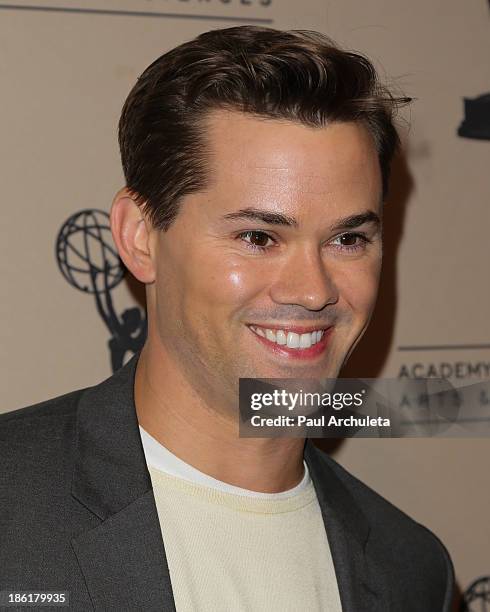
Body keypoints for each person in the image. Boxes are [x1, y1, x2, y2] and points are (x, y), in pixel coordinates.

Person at [0, 25, 454, 611]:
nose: (313, 291)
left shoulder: (411, 570)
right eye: (259, 236)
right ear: (140, 237)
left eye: (347, 238)